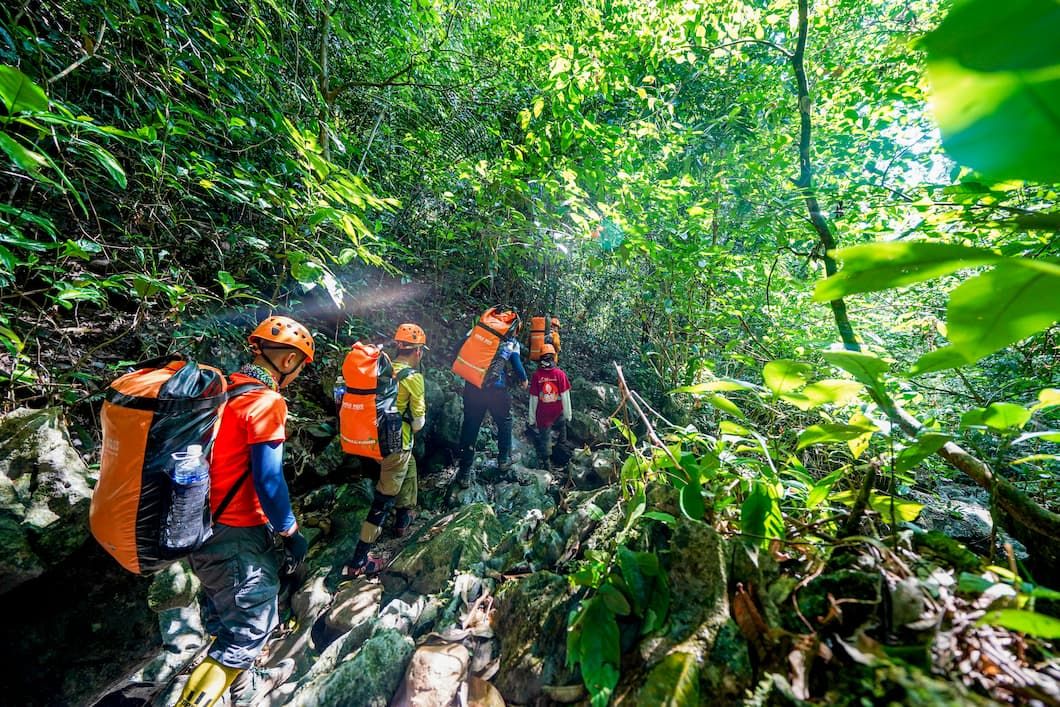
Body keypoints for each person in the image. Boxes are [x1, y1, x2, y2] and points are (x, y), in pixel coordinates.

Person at [176, 315, 313, 707]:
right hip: (236, 533)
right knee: (247, 633)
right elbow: (269, 483)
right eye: (300, 367)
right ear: (287, 361)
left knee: (226, 617)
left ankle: (243, 688)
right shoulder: (266, 402)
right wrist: (291, 534)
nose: (299, 375)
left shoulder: (225, 390)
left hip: (198, 524)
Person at [342, 323, 428, 578]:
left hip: (367, 439)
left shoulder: (378, 373)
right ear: (418, 352)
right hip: (393, 445)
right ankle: (358, 560)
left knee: (409, 465)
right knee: (383, 498)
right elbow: (418, 423)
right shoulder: (413, 378)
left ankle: (403, 519)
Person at [455, 320, 527, 486]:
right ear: (514, 329)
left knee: (470, 425)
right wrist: (523, 380)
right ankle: (504, 459)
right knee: (504, 422)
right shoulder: (511, 341)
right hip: (496, 389)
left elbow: (458, 347)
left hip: (473, 386)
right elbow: (517, 365)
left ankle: (464, 471)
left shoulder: (479, 331)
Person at [528, 343, 572, 470]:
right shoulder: (560, 374)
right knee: (562, 427)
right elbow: (565, 396)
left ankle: (548, 464)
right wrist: (569, 414)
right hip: (557, 411)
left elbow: (534, 398)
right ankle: (559, 450)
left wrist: (532, 418)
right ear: (554, 357)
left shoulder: (537, 375)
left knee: (545, 438)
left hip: (543, 414)